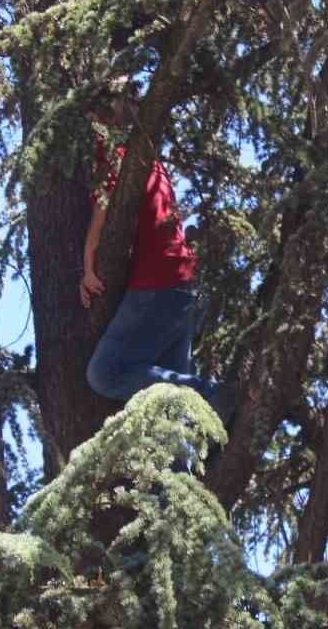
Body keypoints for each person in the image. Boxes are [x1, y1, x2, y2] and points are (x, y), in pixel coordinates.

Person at [79, 98, 234, 429]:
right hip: (182, 285)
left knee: (105, 373)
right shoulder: (149, 159)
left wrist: (88, 263)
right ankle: (179, 481)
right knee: (172, 416)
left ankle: (213, 395)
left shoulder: (114, 153)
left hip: (160, 283)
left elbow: (103, 208)